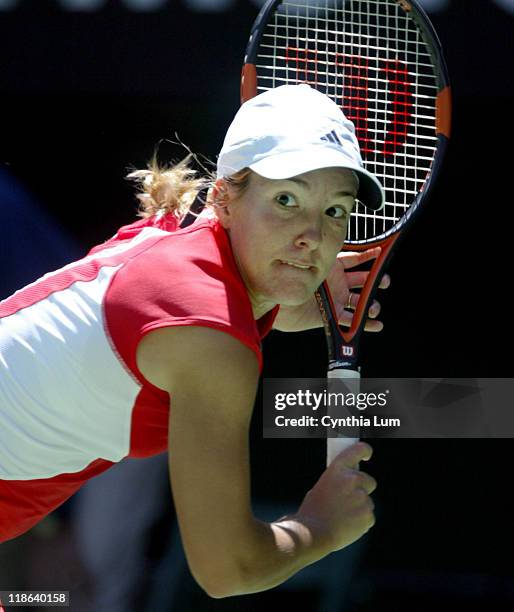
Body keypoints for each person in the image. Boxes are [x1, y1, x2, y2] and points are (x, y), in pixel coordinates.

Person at [0, 84, 389, 597]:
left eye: (335, 211)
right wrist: (321, 527)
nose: (312, 236)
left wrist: (278, 297)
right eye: (286, 200)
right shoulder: (209, 338)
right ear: (224, 198)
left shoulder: (169, 243)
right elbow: (228, 569)